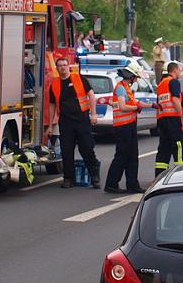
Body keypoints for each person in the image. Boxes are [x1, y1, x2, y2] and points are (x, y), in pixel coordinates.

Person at [49, 57, 100, 189]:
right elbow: (52, 106)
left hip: (82, 120)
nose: (62, 68)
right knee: (66, 151)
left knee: (87, 149)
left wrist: (93, 114)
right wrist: (50, 125)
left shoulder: (79, 78)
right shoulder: (54, 84)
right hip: (65, 122)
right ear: (57, 68)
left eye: (64, 65)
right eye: (60, 66)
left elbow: (91, 95)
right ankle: (68, 178)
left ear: (68, 67)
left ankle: (95, 177)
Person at [104, 61, 154, 193]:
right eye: (136, 77)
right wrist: (136, 107)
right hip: (123, 127)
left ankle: (132, 185)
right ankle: (111, 184)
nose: (137, 79)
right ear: (131, 76)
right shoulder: (120, 88)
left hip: (129, 125)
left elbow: (136, 103)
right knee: (122, 156)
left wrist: (151, 106)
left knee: (132, 156)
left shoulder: (127, 88)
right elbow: (123, 106)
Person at [154, 61, 183, 177]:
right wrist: (181, 116)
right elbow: (175, 99)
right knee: (179, 145)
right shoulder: (173, 81)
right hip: (173, 118)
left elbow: (159, 103)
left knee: (164, 147)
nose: (180, 73)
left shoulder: (161, 84)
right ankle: (181, 174)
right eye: (179, 70)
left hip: (162, 119)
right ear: (175, 70)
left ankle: (159, 175)